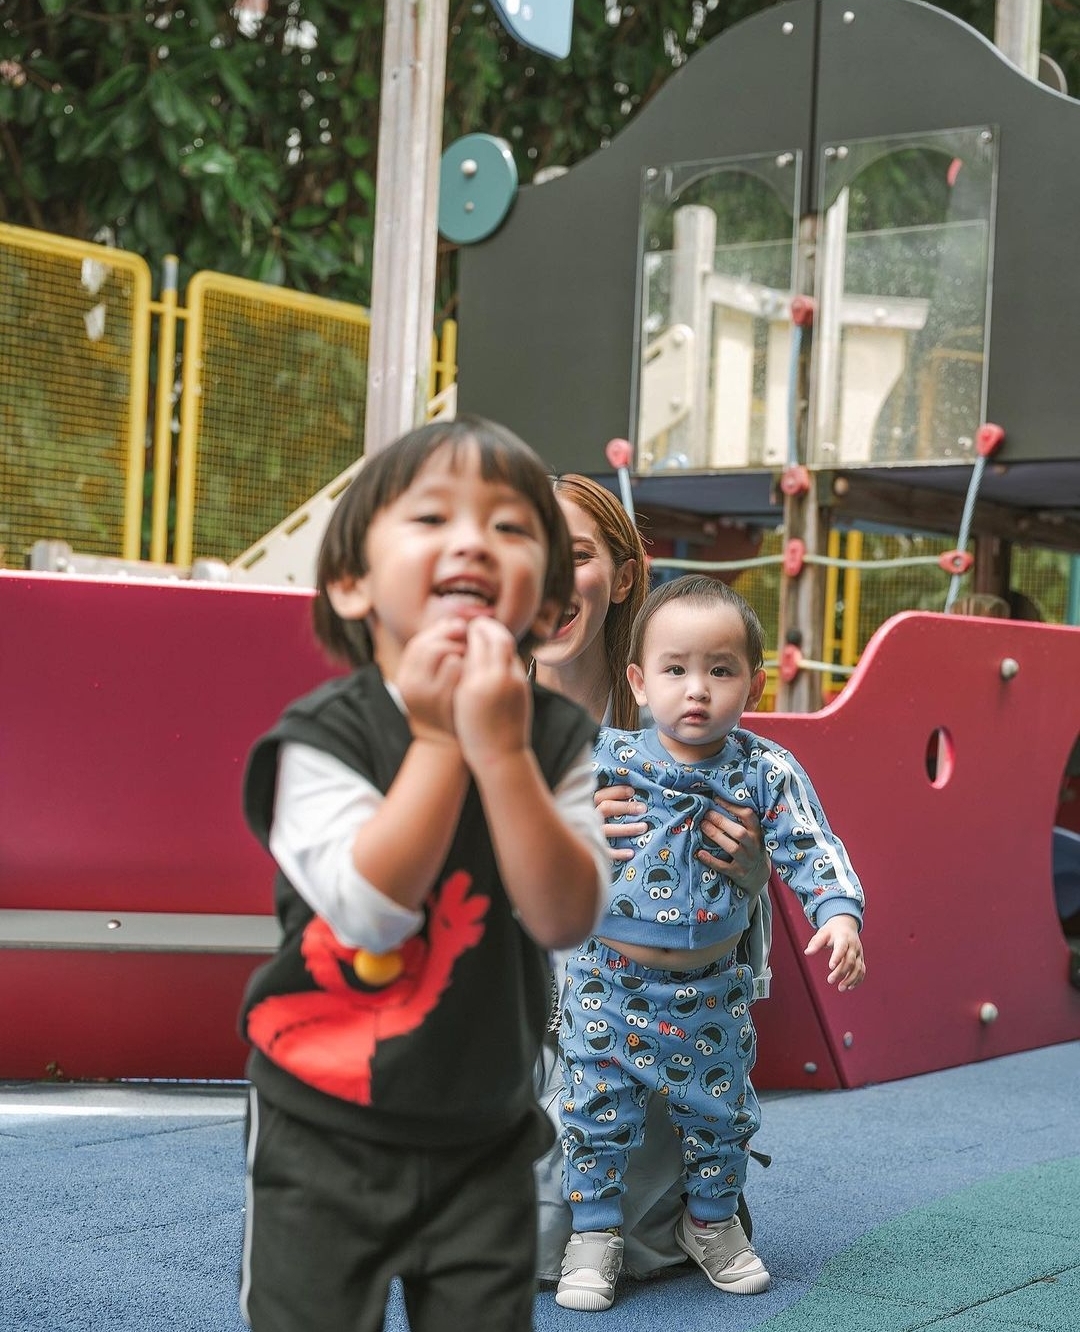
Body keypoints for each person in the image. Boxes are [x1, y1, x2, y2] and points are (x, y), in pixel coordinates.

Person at [236, 417, 611, 1332]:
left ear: (549, 606)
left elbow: (566, 918)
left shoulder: (555, 742)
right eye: (433, 517)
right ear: (352, 582)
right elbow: (369, 912)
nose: (473, 541)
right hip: (324, 1123)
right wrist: (443, 744)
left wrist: (504, 755)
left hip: (485, 1127)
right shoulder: (322, 739)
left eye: (510, 527)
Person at [555, 573, 866, 1312]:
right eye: (675, 670)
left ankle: (711, 1222)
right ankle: (594, 1235)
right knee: (595, 1110)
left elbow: (811, 845)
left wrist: (838, 915)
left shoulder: (763, 771)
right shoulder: (606, 756)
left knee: (720, 1114)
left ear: (753, 685)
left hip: (710, 989)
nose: (696, 689)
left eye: (720, 671)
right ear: (639, 682)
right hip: (609, 982)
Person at [530, 479, 773, 1285]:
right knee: (525, 1226)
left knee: (633, 1218)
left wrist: (751, 874)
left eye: (576, 556)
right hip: (523, 1009)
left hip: (651, 1009)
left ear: (623, 577)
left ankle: (697, 1197)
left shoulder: (676, 706)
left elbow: (741, 893)